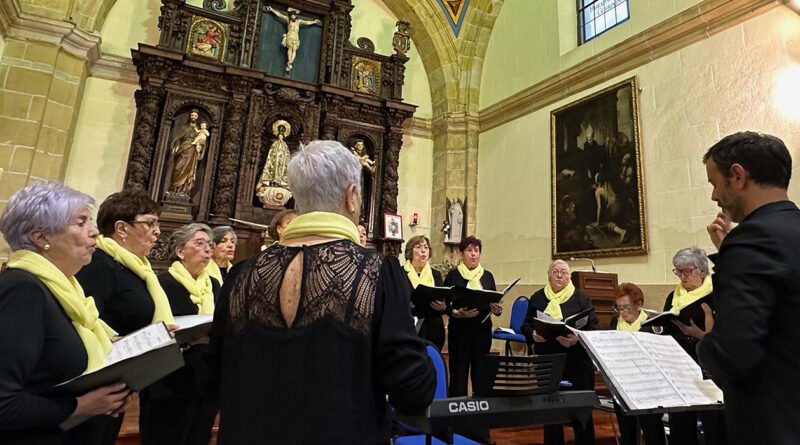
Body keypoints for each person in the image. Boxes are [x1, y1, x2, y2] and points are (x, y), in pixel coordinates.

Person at [207, 140, 435, 444]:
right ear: (352, 197)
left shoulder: (241, 274)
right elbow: (413, 392)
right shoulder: (378, 272)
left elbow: (213, 377)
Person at [0, 181, 131, 444]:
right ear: (41, 238)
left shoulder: (67, 290)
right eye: (81, 222)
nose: (94, 231)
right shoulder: (24, 290)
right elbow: (4, 402)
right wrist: (80, 406)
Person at [697, 131, 800, 444]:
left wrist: (707, 342)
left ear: (738, 175)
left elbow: (735, 354)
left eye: (714, 183)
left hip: (774, 424)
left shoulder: (751, 240)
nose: (715, 196)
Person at [75, 189, 175, 444]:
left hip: (119, 382)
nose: (157, 231)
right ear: (122, 228)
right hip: (94, 384)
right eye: (150, 223)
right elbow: (84, 318)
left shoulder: (139, 269)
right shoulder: (99, 263)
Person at [143, 223, 220, 445]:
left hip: (204, 377)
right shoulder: (162, 283)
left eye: (210, 244)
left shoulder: (214, 285)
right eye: (199, 243)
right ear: (180, 251)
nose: (207, 249)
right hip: (170, 378)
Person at [521, 259, 598, 445]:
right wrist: (532, 334)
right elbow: (525, 324)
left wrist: (577, 339)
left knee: (581, 408)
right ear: (548, 275)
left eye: (564, 272)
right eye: (555, 272)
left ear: (569, 276)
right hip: (548, 360)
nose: (559, 275)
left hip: (576, 360)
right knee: (550, 409)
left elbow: (593, 327)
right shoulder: (538, 298)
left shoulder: (581, 298)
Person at [444, 236, 502, 445]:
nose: (473, 254)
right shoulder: (452, 276)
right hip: (460, 331)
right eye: (469, 250)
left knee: (481, 379)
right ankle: (455, 429)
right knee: (459, 378)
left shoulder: (487, 276)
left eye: (476, 250)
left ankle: (480, 430)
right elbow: (445, 304)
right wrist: (455, 312)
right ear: (462, 253)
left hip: (481, 332)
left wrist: (497, 309)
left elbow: (495, 302)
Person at [608, 283, 666, 445]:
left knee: (652, 430)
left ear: (639, 304)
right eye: (618, 307)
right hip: (621, 384)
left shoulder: (651, 324)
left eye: (626, 307)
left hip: (647, 386)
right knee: (627, 431)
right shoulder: (614, 323)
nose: (622, 312)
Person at [403, 235, 447, 350]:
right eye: (418, 247)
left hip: (433, 327)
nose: (423, 250)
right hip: (410, 326)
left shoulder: (436, 274)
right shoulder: (401, 273)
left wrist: (443, 307)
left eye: (426, 247)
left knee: (432, 363)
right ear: (410, 251)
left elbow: (444, 300)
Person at [266, 6, 322, 72]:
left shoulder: (298, 21)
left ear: (296, 16)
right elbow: (279, 15)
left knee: (294, 49)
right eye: (292, 15)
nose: (293, 16)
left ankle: (290, 62)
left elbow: (307, 22)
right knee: (290, 48)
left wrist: (314, 22)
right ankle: (289, 61)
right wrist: (272, 9)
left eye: (294, 15)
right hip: (290, 36)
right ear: (290, 15)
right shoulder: (288, 20)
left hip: (295, 37)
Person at [168, 110, 202, 196]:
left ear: (197, 117)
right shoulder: (185, 127)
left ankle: (184, 191)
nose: (193, 117)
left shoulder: (198, 129)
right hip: (183, 150)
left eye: (195, 115)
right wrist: (176, 147)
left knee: (188, 171)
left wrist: (200, 145)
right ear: (190, 116)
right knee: (178, 168)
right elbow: (178, 138)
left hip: (192, 151)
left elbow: (202, 140)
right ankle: (174, 189)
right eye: (192, 115)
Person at [257, 121, 292, 190]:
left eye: (283, 130)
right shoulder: (275, 144)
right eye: (280, 129)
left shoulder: (285, 146)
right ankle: (272, 179)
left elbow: (287, 156)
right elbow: (271, 155)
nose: (281, 132)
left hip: (282, 161)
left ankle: (280, 181)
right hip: (275, 161)